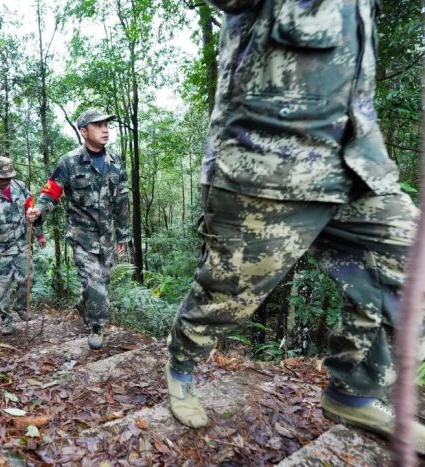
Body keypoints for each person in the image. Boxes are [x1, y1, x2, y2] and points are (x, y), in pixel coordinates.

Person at [165, 0, 425, 451]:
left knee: (412, 266)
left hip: (358, 167)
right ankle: (181, 366)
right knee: (227, 295)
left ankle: (354, 391)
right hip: (267, 169)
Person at [27, 109, 130, 350]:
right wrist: (39, 209)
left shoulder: (116, 162)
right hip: (82, 236)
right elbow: (51, 191)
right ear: (84, 132)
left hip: (106, 237)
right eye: (98, 126)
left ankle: (84, 304)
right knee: (95, 284)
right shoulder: (69, 161)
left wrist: (123, 234)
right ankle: (96, 326)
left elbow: (122, 202)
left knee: (101, 282)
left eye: (106, 125)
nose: (105, 130)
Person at [0, 156, 46, 335]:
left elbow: (32, 210)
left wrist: (39, 234)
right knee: (1, 288)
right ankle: (6, 319)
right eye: (2, 178)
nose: (6, 181)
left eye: (9, 177)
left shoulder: (20, 187)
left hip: (21, 243)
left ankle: (21, 306)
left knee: (28, 278)